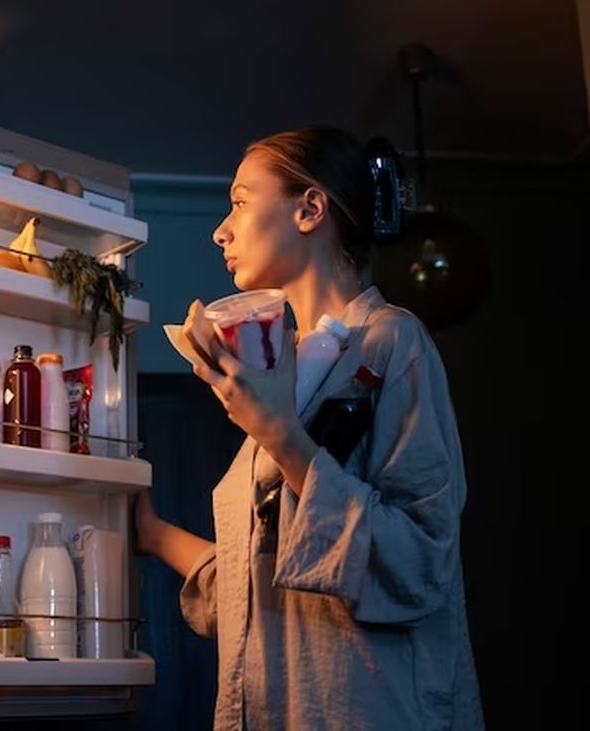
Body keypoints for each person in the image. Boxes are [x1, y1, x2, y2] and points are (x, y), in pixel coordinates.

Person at [135, 127, 483, 731]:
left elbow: (421, 563)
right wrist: (151, 533)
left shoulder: (390, 344)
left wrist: (282, 436)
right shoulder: (287, 373)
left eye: (241, 201)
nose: (221, 229)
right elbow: (264, 591)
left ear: (309, 208)